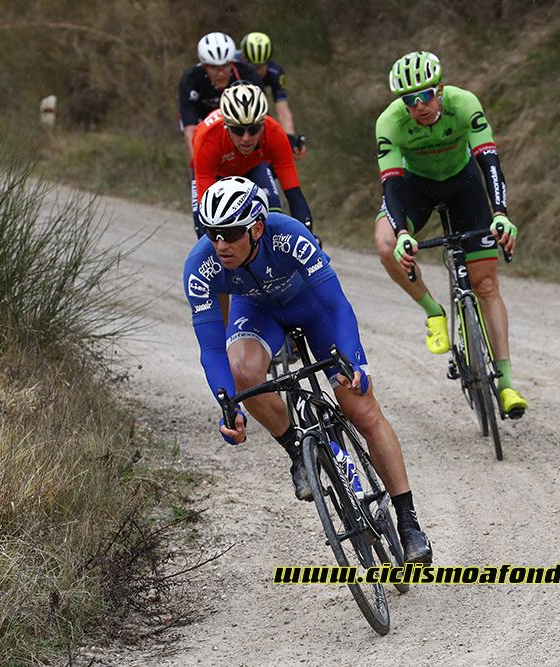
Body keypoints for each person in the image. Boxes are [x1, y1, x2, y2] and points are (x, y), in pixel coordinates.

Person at [183, 176, 432, 564]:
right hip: (259, 312)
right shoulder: (200, 265)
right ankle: (297, 451)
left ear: (257, 227)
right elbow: (211, 345)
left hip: (313, 308)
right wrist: (226, 405)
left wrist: (350, 359)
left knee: (361, 409)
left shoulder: (289, 234)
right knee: (243, 373)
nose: (221, 245)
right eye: (213, 234)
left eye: (231, 233)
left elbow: (335, 304)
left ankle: (408, 520)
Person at [373, 50, 528, 418]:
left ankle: (506, 382)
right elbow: (391, 186)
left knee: (486, 285)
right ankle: (433, 312)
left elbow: (489, 161)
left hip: (464, 184)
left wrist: (501, 214)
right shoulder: (389, 123)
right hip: (416, 187)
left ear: (440, 91)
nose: (419, 106)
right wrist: (402, 233)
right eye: (409, 100)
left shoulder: (464, 104)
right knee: (384, 244)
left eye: (425, 95)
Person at [191, 81, 311, 238]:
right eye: (238, 130)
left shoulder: (274, 132)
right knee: (210, 232)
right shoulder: (207, 138)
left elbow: (294, 194)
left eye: (253, 129)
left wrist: (309, 238)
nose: (246, 138)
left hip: (252, 168)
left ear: (263, 125)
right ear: (226, 125)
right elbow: (206, 208)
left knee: (273, 216)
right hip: (216, 175)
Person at [178, 32, 263, 160]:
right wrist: (196, 165)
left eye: (225, 66)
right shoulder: (191, 80)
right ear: (204, 66)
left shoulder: (247, 75)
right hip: (204, 126)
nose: (221, 73)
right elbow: (190, 130)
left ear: (232, 63)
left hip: (240, 127)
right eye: (213, 67)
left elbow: (263, 121)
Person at [239, 32, 307, 158]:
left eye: (260, 66)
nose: (256, 71)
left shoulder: (275, 72)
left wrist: (290, 138)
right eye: (252, 66)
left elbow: (283, 110)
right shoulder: (234, 66)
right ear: (244, 60)